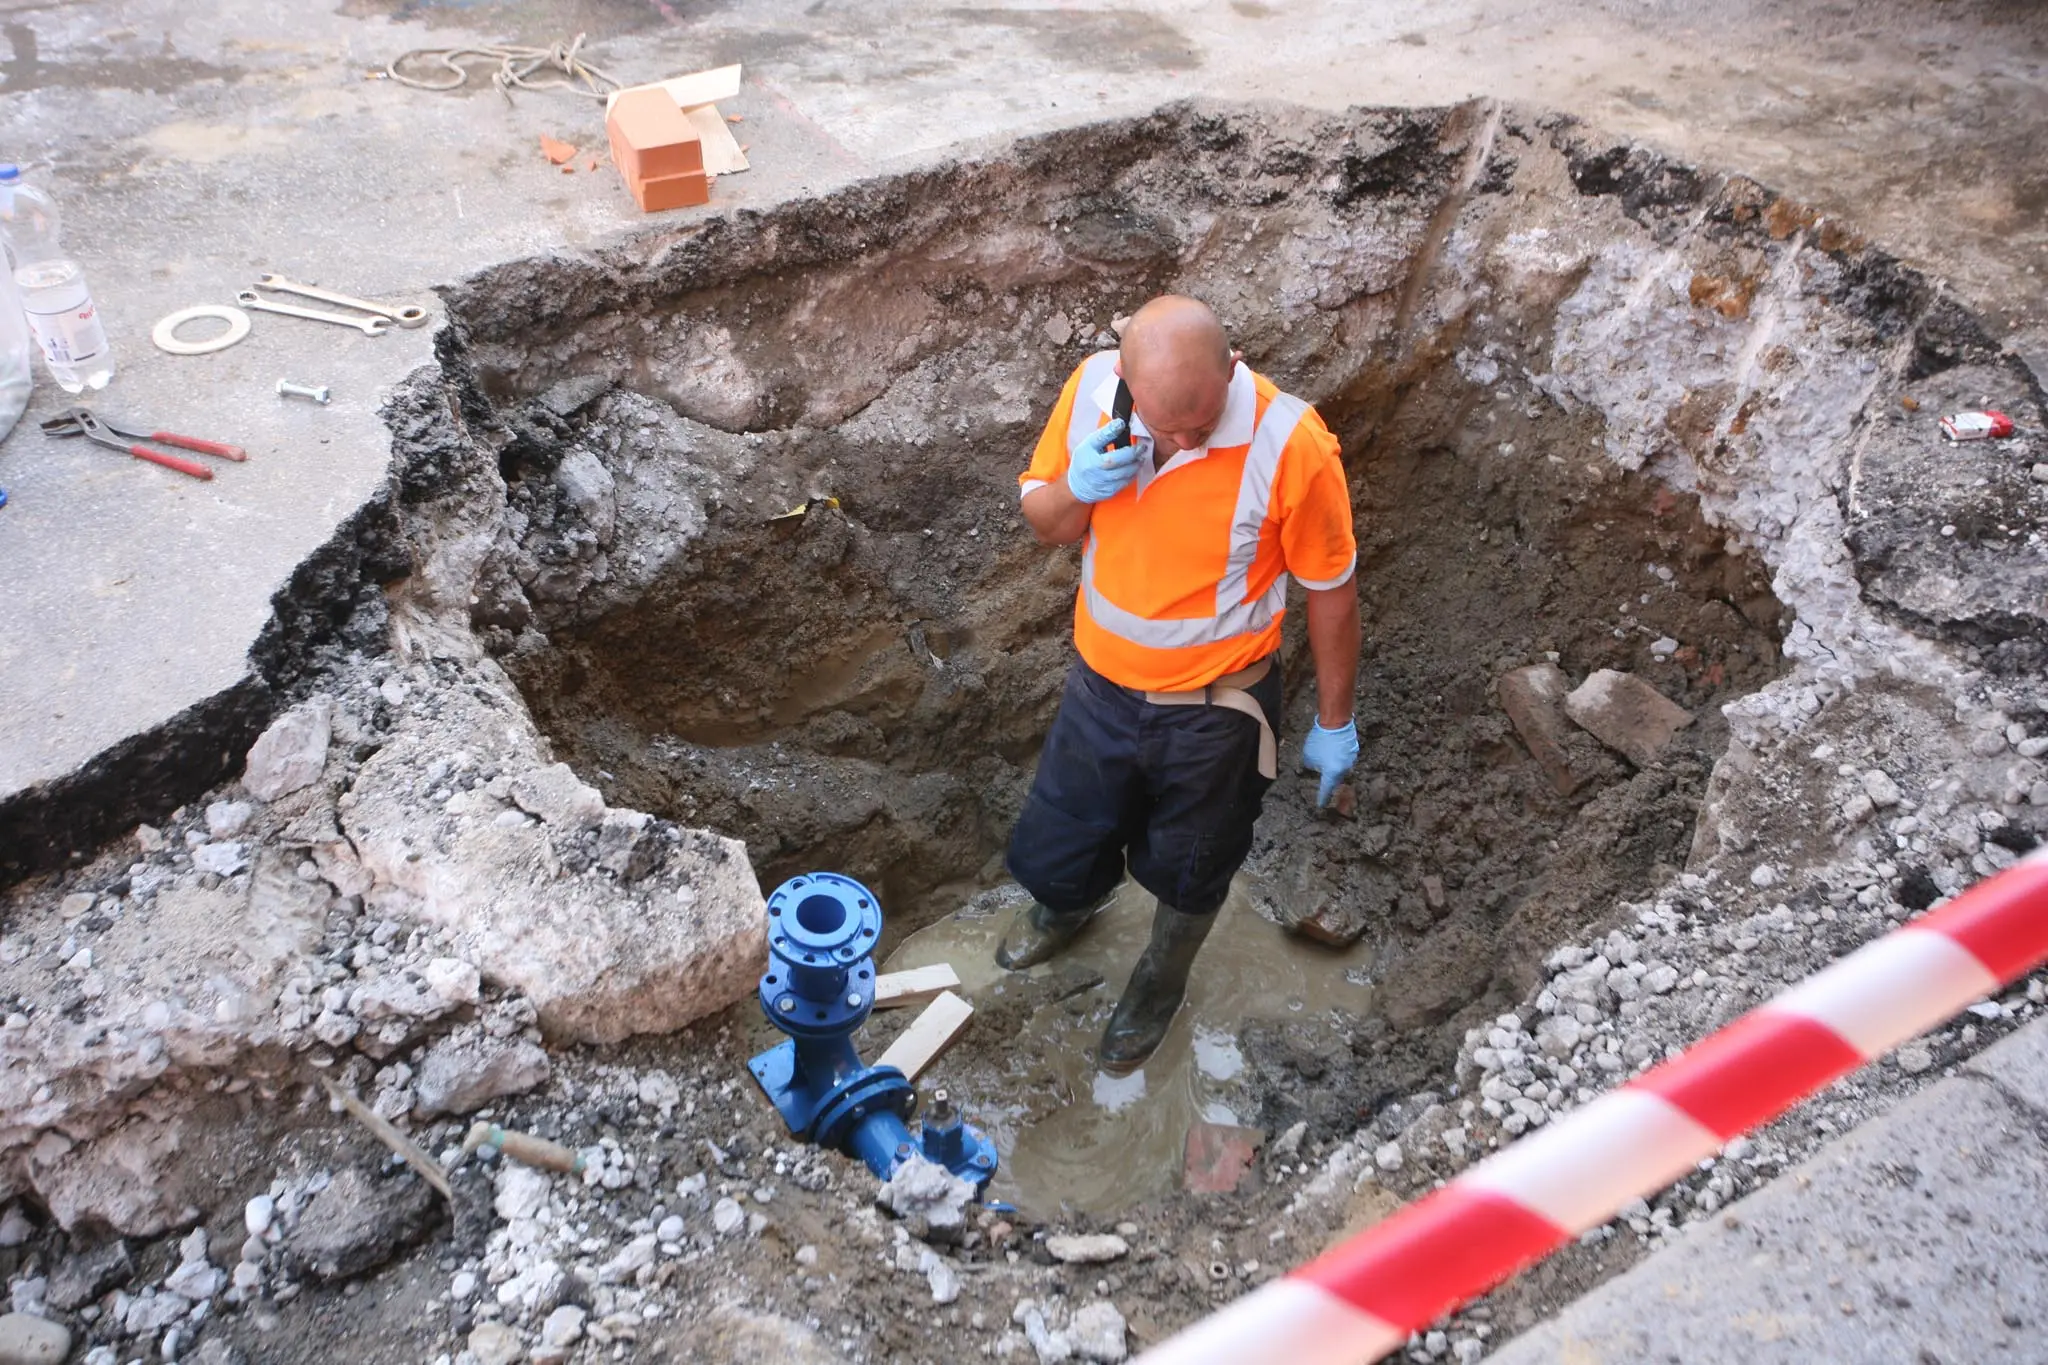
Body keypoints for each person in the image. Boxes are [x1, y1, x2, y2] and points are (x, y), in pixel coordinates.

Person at [998, 294, 1360, 1073]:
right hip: (1101, 691)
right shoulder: (1092, 388)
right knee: (1069, 826)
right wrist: (1079, 490)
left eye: (1203, 422)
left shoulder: (1291, 443)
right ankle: (1065, 907)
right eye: (1169, 428)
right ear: (1126, 378)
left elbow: (1331, 589)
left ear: (1233, 367)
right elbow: (1049, 520)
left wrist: (1336, 718)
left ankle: (1160, 977)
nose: (1189, 440)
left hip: (1217, 713)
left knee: (1195, 862)